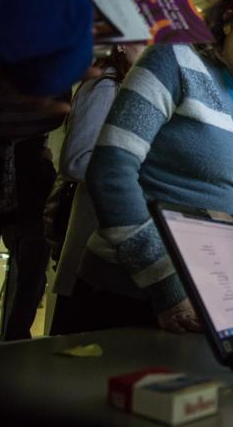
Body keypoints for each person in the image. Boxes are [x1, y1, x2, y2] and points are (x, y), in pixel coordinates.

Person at [53, 0, 233, 335]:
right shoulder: (173, 60)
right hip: (128, 299)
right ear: (229, 17)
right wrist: (167, 289)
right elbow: (110, 171)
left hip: (207, 301)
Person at [48, 44, 146, 334]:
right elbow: (76, 160)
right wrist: (132, 170)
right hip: (92, 221)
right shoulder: (105, 87)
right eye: (144, 40)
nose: (153, 48)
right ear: (122, 43)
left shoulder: (132, 88)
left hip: (114, 229)